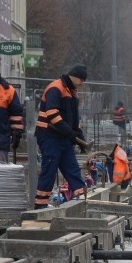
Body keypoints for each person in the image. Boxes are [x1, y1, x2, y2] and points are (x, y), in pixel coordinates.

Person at [33, 63, 91, 209]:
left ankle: (82, 202)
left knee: (72, 169)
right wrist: (70, 133)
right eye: (81, 80)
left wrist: (80, 138)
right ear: (74, 77)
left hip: (63, 137)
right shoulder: (56, 88)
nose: (82, 83)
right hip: (49, 136)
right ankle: (40, 207)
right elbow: (52, 114)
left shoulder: (72, 92)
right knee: (49, 171)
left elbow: (73, 120)